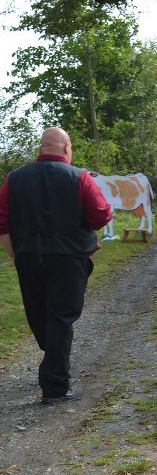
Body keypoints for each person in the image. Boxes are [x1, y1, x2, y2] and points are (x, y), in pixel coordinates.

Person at [0, 127, 112, 404]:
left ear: (41, 149)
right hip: (68, 260)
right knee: (61, 318)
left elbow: (2, 221)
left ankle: (52, 364)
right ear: (67, 148)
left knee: (40, 315)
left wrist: (14, 256)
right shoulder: (80, 177)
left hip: (29, 257)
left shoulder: (14, 179)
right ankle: (56, 387)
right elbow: (101, 215)